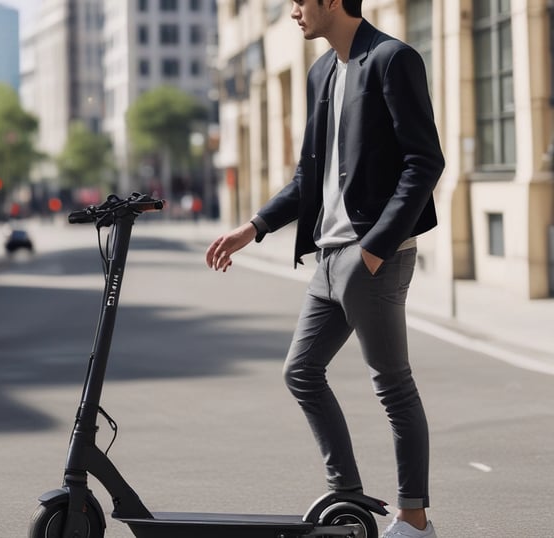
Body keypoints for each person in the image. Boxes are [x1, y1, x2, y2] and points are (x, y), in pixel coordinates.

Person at [205, 1, 444, 537]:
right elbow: (306, 178)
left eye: (298, 1)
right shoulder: (321, 72)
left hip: (369, 254)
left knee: (392, 384)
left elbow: (425, 161)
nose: (292, 12)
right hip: (329, 258)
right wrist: (255, 227)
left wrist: (376, 248)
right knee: (301, 371)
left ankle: (414, 519)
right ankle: (349, 498)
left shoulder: (391, 59)